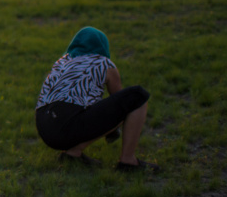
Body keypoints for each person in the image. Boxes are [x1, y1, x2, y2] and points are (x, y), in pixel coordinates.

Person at [35, 26, 157, 171]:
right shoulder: (104, 63)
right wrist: (111, 130)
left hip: (44, 125)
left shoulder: (61, 62)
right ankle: (128, 161)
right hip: (66, 124)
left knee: (78, 111)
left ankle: (73, 153)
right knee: (137, 96)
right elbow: (120, 102)